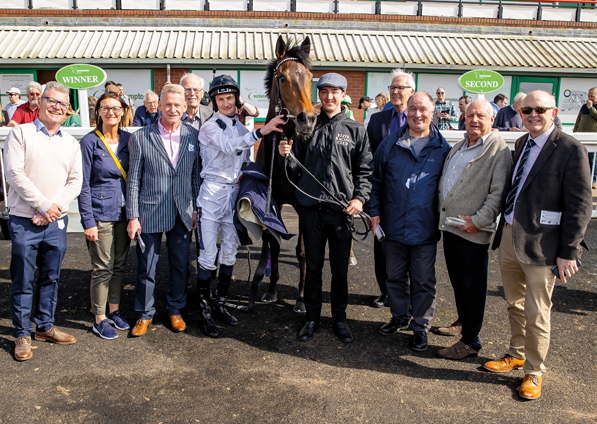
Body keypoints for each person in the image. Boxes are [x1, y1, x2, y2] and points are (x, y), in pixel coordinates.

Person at [484, 90, 592, 400]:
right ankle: (516, 353)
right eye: (527, 109)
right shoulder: (521, 142)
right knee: (514, 303)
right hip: (509, 235)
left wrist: (569, 252)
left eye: (539, 109)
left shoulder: (571, 149)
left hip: (543, 245)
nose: (533, 114)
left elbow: (580, 206)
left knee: (537, 310)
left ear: (553, 111)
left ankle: (534, 370)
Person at [279, 73, 372, 344]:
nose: (329, 97)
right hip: (311, 210)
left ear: (343, 95)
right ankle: (311, 318)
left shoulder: (357, 131)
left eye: (335, 92)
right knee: (314, 267)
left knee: (340, 270)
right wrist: (287, 156)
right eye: (324, 91)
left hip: (342, 211)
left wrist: (359, 199)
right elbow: (295, 170)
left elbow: (365, 172)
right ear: (318, 95)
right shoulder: (308, 126)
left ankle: (340, 319)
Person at [196, 75, 285, 337]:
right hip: (211, 195)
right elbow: (230, 146)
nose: (225, 103)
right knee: (208, 254)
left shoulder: (239, 126)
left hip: (234, 194)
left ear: (237, 100)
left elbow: (248, 155)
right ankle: (205, 309)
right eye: (220, 99)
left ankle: (221, 304)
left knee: (230, 253)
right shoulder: (210, 127)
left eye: (229, 98)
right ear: (214, 101)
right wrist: (261, 131)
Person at [4, 81, 83, 361]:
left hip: (54, 222)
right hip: (25, 220)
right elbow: (14, 174)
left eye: (63, 104)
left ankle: (45, 326)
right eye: (52, 101)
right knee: (23, 278)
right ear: (41, 102)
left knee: (51, 277)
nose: (57, 107)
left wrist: (53, 209)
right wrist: (43, 205)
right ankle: (22, 334)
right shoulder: (21, 134)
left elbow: (75, 182)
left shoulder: (71, 143)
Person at [366, 92, 451, 353]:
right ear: (407, 110)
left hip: (424, 228)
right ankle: (399, 317)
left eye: (423, 109)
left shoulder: (442, 148)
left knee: (424, 280)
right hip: (392, 225)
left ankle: (420, 327)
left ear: (432, 112)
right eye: (413, 109)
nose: (417, 114)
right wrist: (374, 212)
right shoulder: (390, 144)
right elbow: (375, 180)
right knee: (394, 277)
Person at [435, 100, 511, 359]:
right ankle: (462, 322)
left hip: (472, 231)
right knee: (458, 282)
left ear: (492, 119)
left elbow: (498, 194)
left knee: (473, 286)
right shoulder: (461, 144)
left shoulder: (497, 150)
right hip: (452, 228)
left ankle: (470, 342)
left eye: (481, 116)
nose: (474, 120)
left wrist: (477, 221)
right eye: (470, 116)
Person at [126, 83, 201, 337]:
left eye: (177, 105)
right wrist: (133, 216)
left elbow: (193, 177)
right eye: (167, 104)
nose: (172, 109)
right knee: (147, 266)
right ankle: (144, 314)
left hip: (182, 211)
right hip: (150, 212)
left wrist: (195, 210)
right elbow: (133, 179)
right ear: (159, 105)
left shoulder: (193, 136)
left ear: (184, 107)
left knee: (180, 266)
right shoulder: (141, 137)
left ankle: (175, 310)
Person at [78, 92, 131, 340]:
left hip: (124, 212)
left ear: (122, 111)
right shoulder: (90, 142)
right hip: (100, 214)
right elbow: (83, 185)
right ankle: (99, 318)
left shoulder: (129, 140)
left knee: (119, 266)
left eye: (116, 108)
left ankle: (114, 310)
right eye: (105, 107)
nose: (111, 112)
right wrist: (88, 222)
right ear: (98, 111)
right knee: (102, 268)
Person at [366, 69, 416, 308]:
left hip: (413, 195)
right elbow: (367, 159)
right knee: (381, 245)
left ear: (411, 92)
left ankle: (406, 293)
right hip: (383, 194)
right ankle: (385, 291)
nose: (395, 91)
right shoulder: (377, 120)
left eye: (401, 87)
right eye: (392, 87)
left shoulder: (421, 118)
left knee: (411, 247)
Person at [572, 87, 597, 188]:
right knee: (581, 157)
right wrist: (575, 130)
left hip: (592, 138)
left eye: (592, 96)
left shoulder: (592, 107)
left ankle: (593, 180)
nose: (589, 98)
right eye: (588, 95)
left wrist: (591, 108)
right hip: (582, 136)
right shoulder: (584, 106)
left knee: (592, 160)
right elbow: (579, 118)